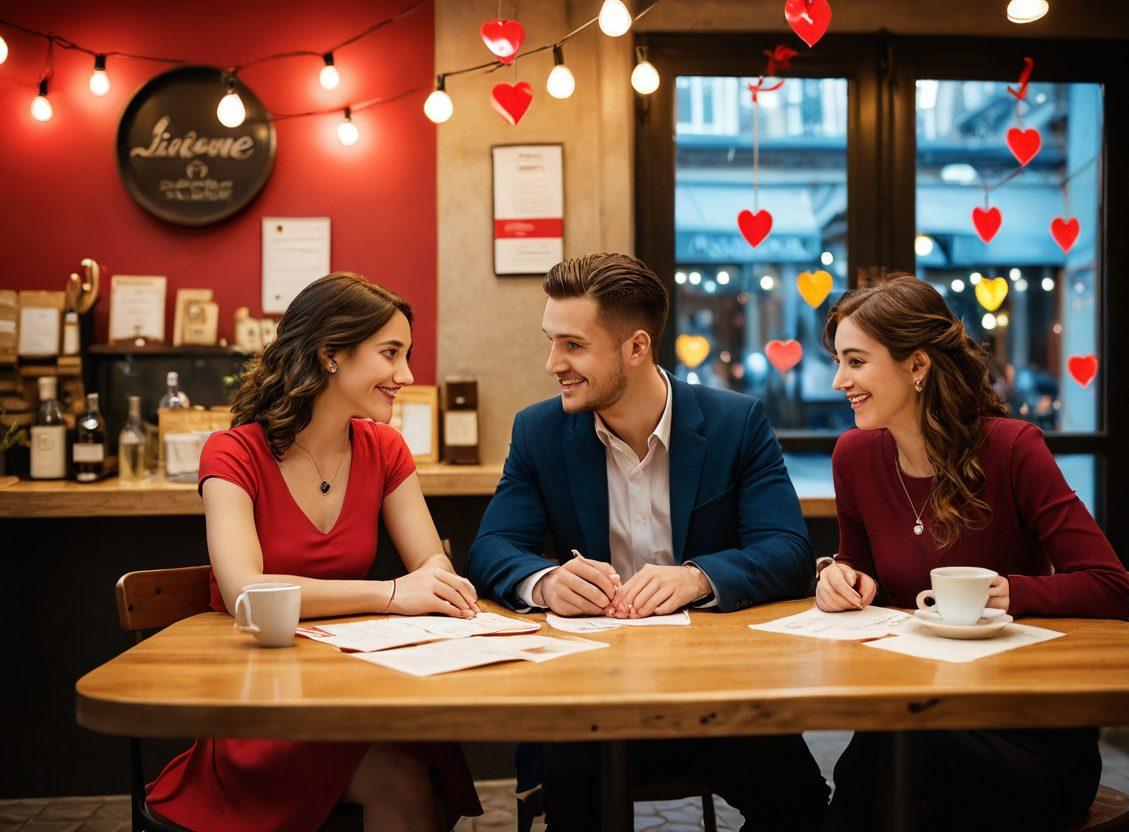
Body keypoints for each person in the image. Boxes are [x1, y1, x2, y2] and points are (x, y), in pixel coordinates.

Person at [467, 253, 829, 831]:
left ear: (636, 348)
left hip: (716, 701)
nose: (552, 364)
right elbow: (491, 548)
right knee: (577, 799)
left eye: (573, 346)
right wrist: (548, 581)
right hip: (586, 700)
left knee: (805, 807)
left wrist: (698, 577)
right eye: (551, 342)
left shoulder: (738, 424)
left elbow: (787, 550)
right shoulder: (538, 431)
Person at [145, 273, 483, 832]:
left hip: (353, 687)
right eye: (391, 354)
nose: (407, 376)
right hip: (262, 704)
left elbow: (432, 563)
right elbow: (245, 594)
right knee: (402, 773)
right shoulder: (233, 452)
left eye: (407, 355)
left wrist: (440, 583)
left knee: (420, 749)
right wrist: (394, 594)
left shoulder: (386, 448)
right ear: (331, 355)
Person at [815, 274, 1129, 832]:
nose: (840, 380)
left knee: (885, 769)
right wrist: (840, 580)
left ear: (917, 366)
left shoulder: (1013, 449)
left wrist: (1012, 593)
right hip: (916, 712)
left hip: (1025, 729)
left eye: (856, 361)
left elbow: (1111, 586)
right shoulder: (855, 456)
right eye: (840, 362)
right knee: (881, 762)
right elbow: (862, 570)